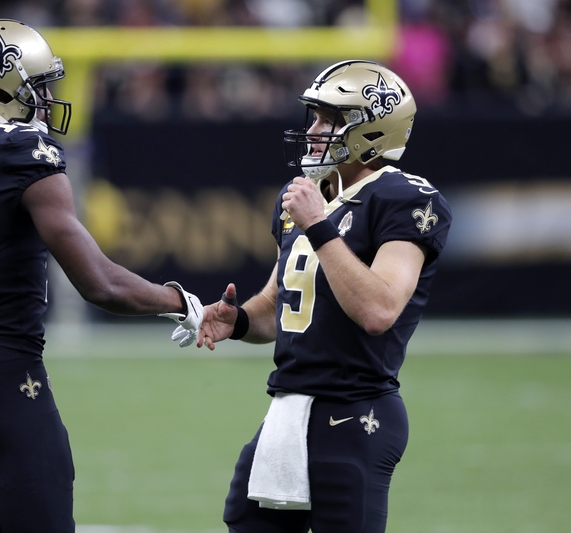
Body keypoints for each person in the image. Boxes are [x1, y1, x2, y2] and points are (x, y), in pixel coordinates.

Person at [0, 19, 202, 533]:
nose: (45, 100)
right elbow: (101, 284)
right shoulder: (20, 150)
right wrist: (178, 301)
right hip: (4, 377)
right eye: (36, 87)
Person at [185, 60, 452, 533]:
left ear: (371, 130)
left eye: (329, 120)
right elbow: (278, 303)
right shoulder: (305, 196)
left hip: (356, 410)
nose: (313, 131)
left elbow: (379, 309)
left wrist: (319, 225)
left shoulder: (404, 198)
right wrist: (239, 321)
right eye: (315, 118)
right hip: (288, 410)